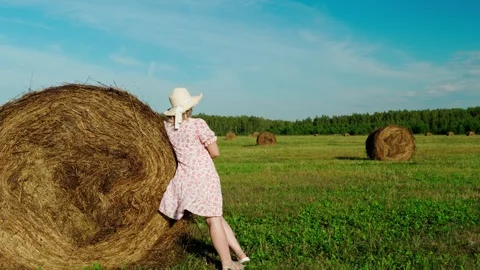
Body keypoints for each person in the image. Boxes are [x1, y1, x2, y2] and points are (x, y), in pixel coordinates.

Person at [159, 87, 250, 270]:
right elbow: (215, 152)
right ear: (189, 108)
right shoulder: (197, 124)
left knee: (216, 215)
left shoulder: (167, 127)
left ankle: (240, 254)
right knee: (213, 219)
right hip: (204, 177)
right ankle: (226, 264)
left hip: (185, 178)